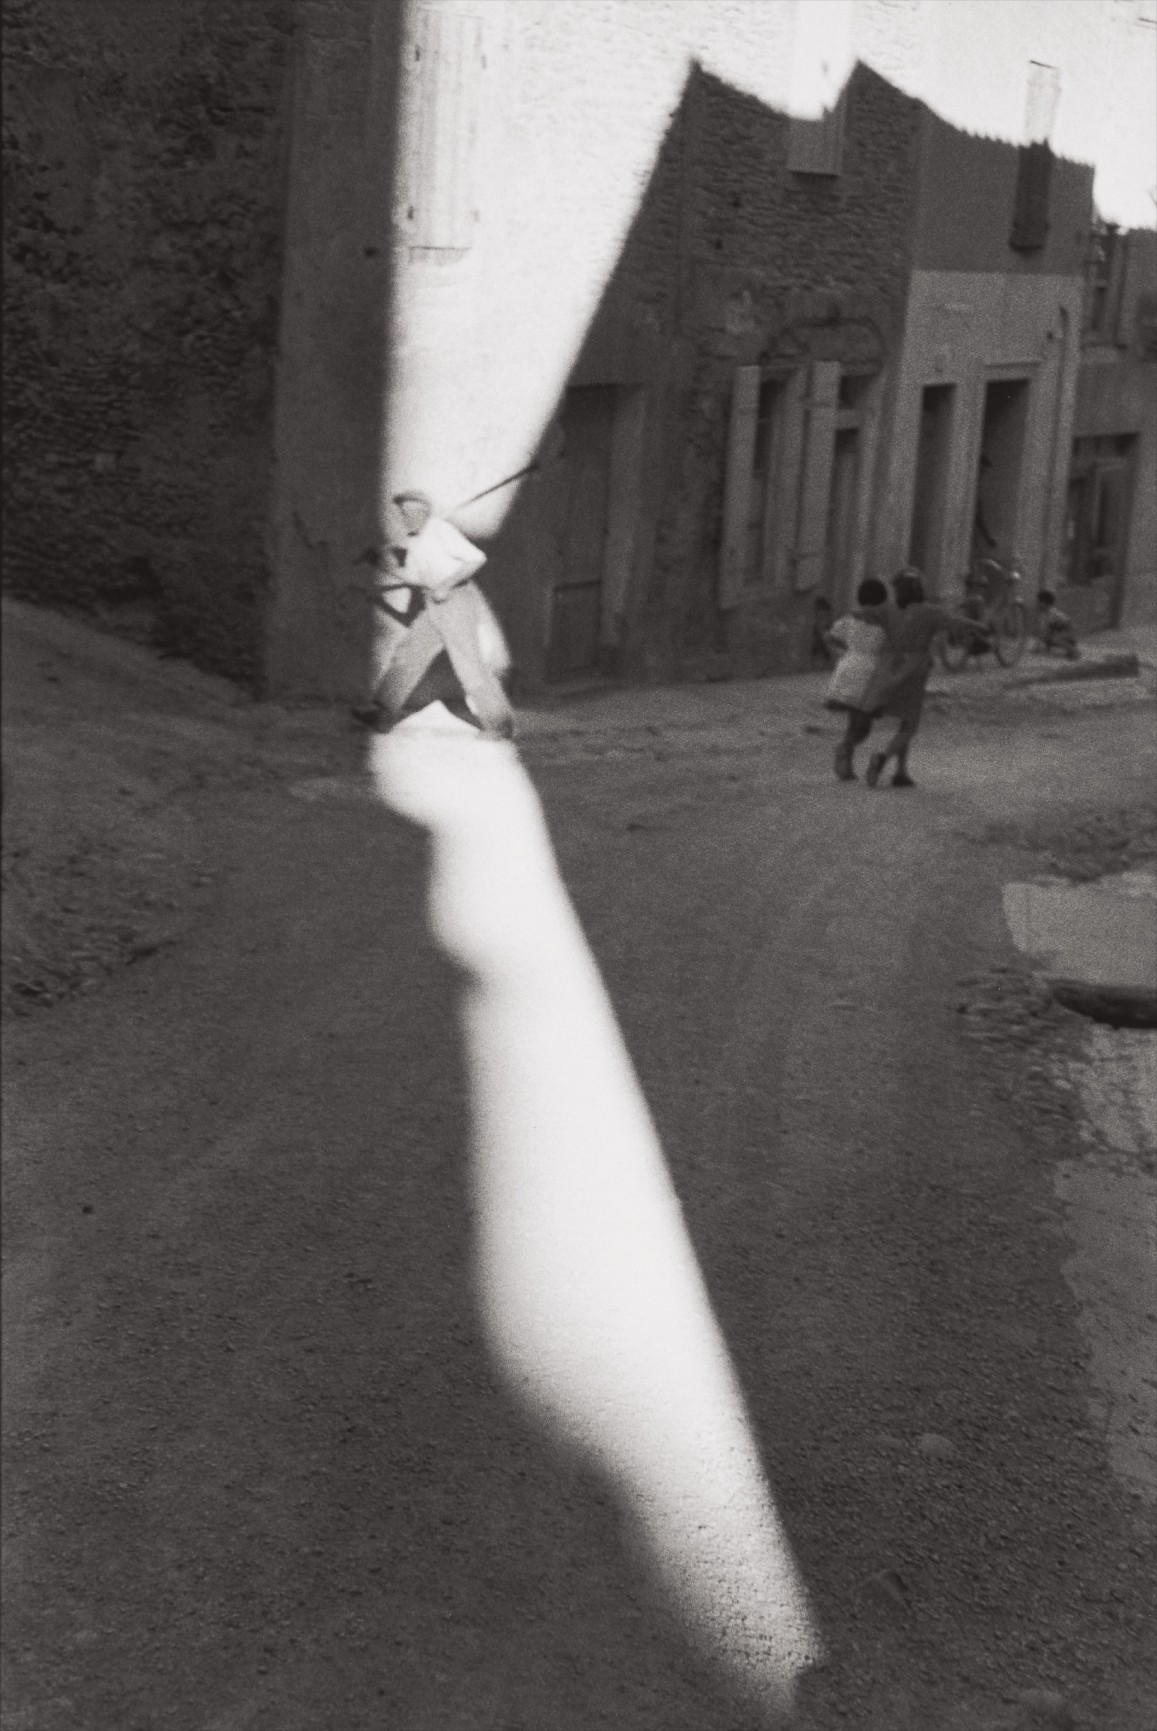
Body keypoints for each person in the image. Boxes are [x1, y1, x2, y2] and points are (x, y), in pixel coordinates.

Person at [358, 490, 515, 739]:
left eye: (415, 511)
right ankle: (381, 713)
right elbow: (414, 578)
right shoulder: (413, 541)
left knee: (468, 665)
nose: (409, 517)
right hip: (433, 600)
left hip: (457, 598)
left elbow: (476, 558)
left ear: (425, 512)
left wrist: (447, 584)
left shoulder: (440, 529)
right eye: (405, 513)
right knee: (409, 654)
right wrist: (382, 563)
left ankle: (500, 725)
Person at [857, 567, 968, 789]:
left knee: (904, 719)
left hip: (893, 668)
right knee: (910, 724)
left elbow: (863, 614)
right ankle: (883, 758)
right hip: (916, 670)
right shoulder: (931, 611)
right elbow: (956, 624)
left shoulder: (888, 610)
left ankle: (901, 772)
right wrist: (978, 626)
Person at [823, 579, 892, 781]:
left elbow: (830, 637)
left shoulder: (851, 618)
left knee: (853, 721)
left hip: (848, 668)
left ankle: (847, 766)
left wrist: (848, 650)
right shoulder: (885, 622)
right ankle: (845, 747)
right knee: (864, 725)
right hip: (870, 673)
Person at [1034, 588, 1080, 660]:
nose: (1038, 604)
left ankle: (1073, 651)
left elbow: (1069, 624)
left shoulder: (1052, 613)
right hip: (1064, 634)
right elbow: (1044, 631)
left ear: (1045, 603)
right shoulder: (1045, 614)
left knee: (1051, 637)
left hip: (1069, 635)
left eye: (1040, 602)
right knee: (1046, 635)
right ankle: (1065, 649)